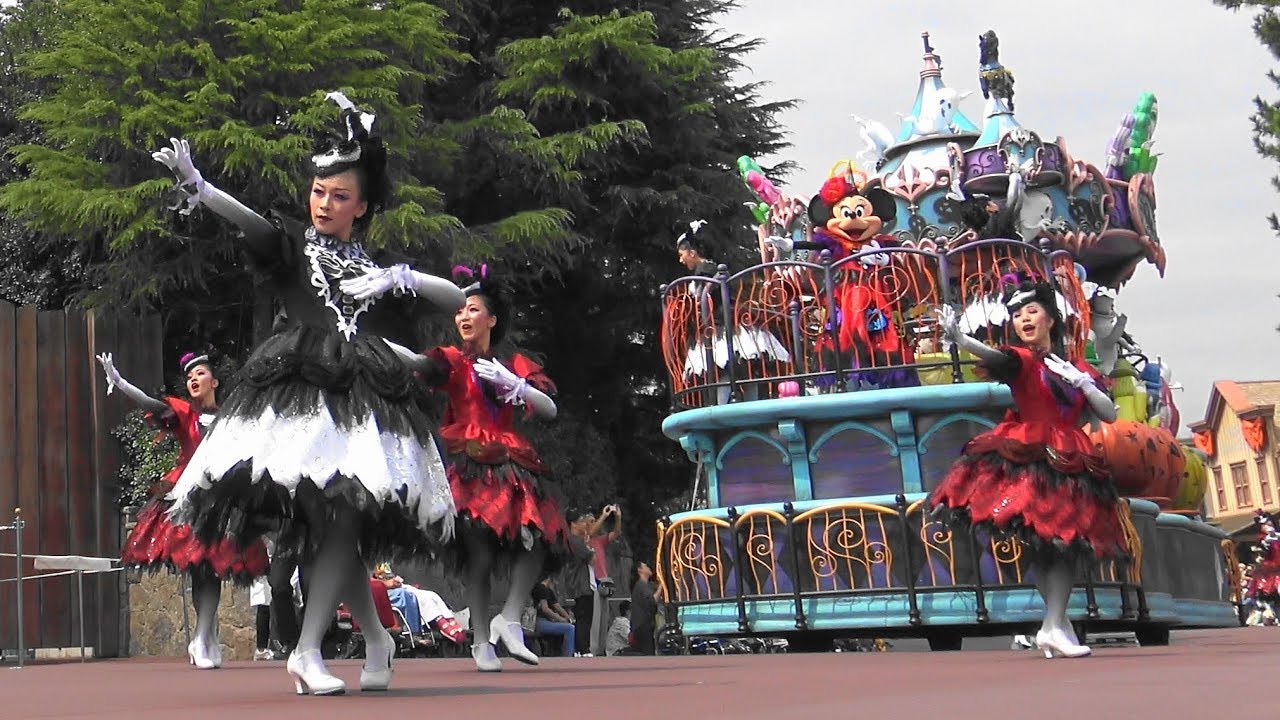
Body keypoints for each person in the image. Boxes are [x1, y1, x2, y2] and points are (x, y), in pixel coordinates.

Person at [158, 92, 465, 696]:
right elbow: (252, 223)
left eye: (340, 195)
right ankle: (343, 644)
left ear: (364, 206)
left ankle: (330, 646)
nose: (324, 204)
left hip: (361, 395)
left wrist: (401, 276)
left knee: (342, 519)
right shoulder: (295, 246)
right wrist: (201, 186)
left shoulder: (368, 262)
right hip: (298, 394)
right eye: (319, 192)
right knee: (334, 522)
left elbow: (457, 302)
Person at [928, 274, 1126, 659]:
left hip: (1070, 454)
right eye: (1017, 315)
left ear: (1050, 318)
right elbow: (995, 358)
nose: (1024, 319)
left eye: (1031, 311)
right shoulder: (1022, 360)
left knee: (1063, 543)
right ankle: (1053, 624)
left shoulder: (1073, 364)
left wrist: (1084, 384)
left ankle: (1056, 624)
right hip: (1032, 452)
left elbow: (1109, 414)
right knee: (1046, 541)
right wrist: (963, 340)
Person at [391, 268, 569, 672]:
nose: (463, 317)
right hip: (466, 462)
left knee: (540, 535)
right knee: (479, 556)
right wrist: (382, 347)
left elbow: (550, 408)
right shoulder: (453, 361)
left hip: (510, 462)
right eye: (458, 311)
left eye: (472, 310)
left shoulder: (514, 365)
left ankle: (509, 617)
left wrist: (517, 385)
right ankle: (481, 641)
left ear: (491, 319)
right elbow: (421, 364)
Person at [97, 350, 268, 669]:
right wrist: (120, 383)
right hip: (188, 495)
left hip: (223, 495)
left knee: (211, 566)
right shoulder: (185, 414)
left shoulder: (231, 417)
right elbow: (153, 404)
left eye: (200, 373)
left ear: (214, 381)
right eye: (189, 376)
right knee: (201, 563)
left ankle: (205, 637)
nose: (193, 379)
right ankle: (202, 637)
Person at [374, 564, 467, 645]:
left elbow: (389, 577)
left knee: (430, 594)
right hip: (381, 592)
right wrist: (391, 583)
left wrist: (394, 582)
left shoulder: (383, 558)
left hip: (393, 588)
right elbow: (377, 581)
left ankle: (447, 620)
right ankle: (423, 629)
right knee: (409, 595)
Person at [587, 504, 623, 656]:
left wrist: (618, 518)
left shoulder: (599, 540)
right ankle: (593, 650)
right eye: (591, 520)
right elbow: (591, 531)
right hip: (594, 580)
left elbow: (616, 533)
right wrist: (604, 515)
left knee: (604, 618)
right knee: (595, 619)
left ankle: (601, 650)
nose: (594, 522)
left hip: (604, 579)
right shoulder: (586, 539)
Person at [564, 509, 597, 657]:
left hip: (581, 584)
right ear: (573, 524)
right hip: (581, 585)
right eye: (582, 522)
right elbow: (592, 559)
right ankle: (583, 649)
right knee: (585, 617)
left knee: (584, 617)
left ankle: (581, 648)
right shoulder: (575, 541)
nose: (584, 525)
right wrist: (589, 547)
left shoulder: (575, 541)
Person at [531, 576, 576, 657]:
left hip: (547, 620)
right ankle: (569, 655)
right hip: (539, 621)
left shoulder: (548, 590)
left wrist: (568, 618)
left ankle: (560, 652)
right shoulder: (541, 588)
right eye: (556, 581)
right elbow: (545, 609)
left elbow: (557, 606)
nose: (556, 583)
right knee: (570, 629)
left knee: (569, 625)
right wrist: (561, 619)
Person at [629, 561, 659, 655]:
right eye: (645, 566)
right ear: (640, 570)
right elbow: (652, 601)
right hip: (643, 626)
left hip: (642, 626)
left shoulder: (644, 586)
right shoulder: (641, 586)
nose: (648, 567)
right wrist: (662, 587)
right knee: (648, 653)